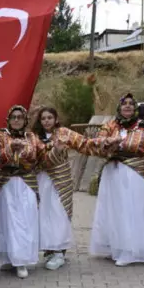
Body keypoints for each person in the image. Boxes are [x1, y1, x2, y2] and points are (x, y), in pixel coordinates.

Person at [88, 93, 144, 267]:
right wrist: (107, 142)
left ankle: (131, 251)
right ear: (119, 108)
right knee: (114, 211)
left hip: (135, 173)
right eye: (124, 104)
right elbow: (97, 141)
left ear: (136, 108)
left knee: (132, 210)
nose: (128, 106)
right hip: (113, 173)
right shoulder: (111, 125)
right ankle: (115, 247)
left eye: (131, 104)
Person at [30, 107, 106, 270]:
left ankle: (59, 252)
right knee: (43, 214)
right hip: (42, 179)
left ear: (56, 119)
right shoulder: (34, 137)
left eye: (50, 117)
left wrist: (104, 144)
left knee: (59, 213)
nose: (47, 121)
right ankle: (49, 249)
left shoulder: (64, 133)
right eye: (43, 118)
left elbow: (85, 144)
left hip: (60, 181)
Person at [0, 106, 44, 279]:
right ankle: (9, 257)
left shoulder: (31, 137)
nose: (16, 120)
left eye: (20, 117)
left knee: (25, 220)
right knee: (6, 220)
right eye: (13, 117)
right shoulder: (0, 136)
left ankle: (21, 260)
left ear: (25, 120)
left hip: (25, 183)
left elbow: (38, 155)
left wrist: (22, 151)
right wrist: (10, 149)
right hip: (5, 183)